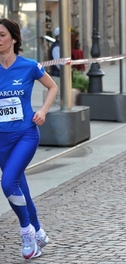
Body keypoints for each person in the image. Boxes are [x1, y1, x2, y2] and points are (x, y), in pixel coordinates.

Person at [0, 18, 58, 259]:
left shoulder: (29, 66)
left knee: (7, 183)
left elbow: (52, 87)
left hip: (25, 134)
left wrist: (42, 111)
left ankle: (27, 234)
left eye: (1, 34)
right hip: (1, 139)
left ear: (13, 38)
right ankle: (38, 231)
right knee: (19, 186)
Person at [49, 27, 60, 104]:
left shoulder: (59, 46)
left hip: (59, 75)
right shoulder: (56, 47)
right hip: (57, 75)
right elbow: (58, 63)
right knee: (57, 97)